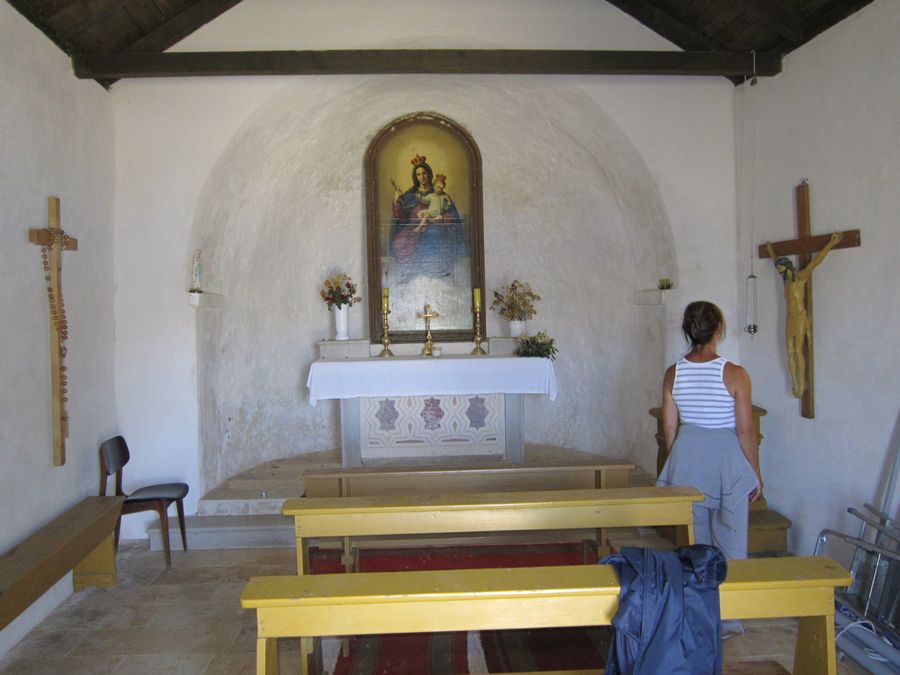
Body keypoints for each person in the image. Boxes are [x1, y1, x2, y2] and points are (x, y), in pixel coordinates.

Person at [656, 301, 762, 637]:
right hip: (726, 459)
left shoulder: (673, 373)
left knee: (696, 542)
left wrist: (678, 461)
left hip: (688, 457)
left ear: (688, 330)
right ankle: (729, 617)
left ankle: (699, 613)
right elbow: (746, 432)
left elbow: (669, 427)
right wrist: (755, 473)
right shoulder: (735, 374)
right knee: (731, 540)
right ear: (719, 329)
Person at [765, 232, 842, 398]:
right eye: (779, 270)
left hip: (800, 316)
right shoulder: (785, 281)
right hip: (789, 318)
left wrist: (831, 243)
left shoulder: (800, 278)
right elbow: (775, 262)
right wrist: (770, 250)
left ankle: (801, 385)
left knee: (798, 350)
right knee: (789, 349)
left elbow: (816, 262)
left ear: (787, 267)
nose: (780, 272)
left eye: (781, 269)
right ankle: (794, 381)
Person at [389, 155, 466, 279]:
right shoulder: (410, 195)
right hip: (413, 226)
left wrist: (441, 219)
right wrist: (396, 201)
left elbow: (450, 213)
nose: (422, 177)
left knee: (432, 235)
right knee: (400, 242)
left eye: (424, 173)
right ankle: (408, 273)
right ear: (415, 177)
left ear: (429, 174)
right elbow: (401, 218)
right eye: (418, 174)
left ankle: (434, 273)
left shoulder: (439, 193)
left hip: (434, 225)